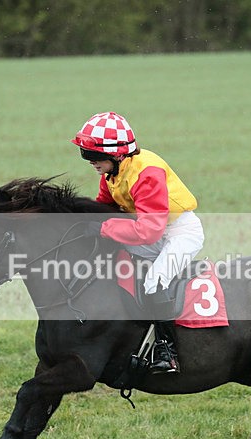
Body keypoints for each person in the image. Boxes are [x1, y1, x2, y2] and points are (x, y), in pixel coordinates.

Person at [71, 111, 205, 374]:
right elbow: (104, 208)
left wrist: (102, 229)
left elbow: (149, 231)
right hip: (149, 231)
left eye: (93, 155)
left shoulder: (146, 172)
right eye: (85, 154)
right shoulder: (111, 173)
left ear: (118, 154)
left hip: (178, 233)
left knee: (155, 281)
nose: (90, 161)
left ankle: (167, 351)